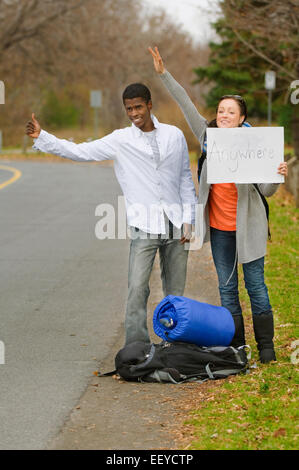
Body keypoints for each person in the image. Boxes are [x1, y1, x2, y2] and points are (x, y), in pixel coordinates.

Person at [26, 83, 197, 345]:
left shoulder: (174, 136)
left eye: (138, 107)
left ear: (150, 105)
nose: (134, 113)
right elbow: (81, 151)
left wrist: (189, 219)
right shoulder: (121, 140)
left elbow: (185, 177)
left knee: (176, 292)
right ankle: (137, 346)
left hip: (176, 223)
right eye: (129, 109)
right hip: (144, 225)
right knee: (137, 288)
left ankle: (175, 343)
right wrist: (43, 137)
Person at [149, 46, 288, 363]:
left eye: (231, 112)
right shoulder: (209, 135)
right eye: (221, 110)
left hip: (248, 228)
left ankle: (266, 348)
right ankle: (238, 346)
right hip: (220, 228)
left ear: (242, 119)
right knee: (227, 289)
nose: (224, 115)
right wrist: (163, 74)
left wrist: (277, 175)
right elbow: (185, 103)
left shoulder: (256, 145)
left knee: (255, 286)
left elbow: (266, 190)